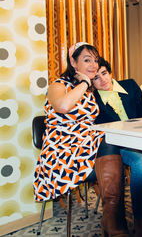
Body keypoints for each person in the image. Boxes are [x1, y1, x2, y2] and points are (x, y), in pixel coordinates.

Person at [33, 42, 129, 237]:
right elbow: (62, 106)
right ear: (73, 62)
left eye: (95, 60)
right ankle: (113, 223)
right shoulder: (58, 85)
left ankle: (112, 220)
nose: (93, 65)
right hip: (62, 147)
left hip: (87, 143)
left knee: (110, 140)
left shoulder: (90, 91)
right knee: (108, 144)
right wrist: (85, 82)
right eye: (87, 60)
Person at [92, 58, 142, 237]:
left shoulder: (130, 86)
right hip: (114, 148)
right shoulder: (93, 101)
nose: (102, 80)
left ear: (110, 72)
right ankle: (139, 220)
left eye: (104, 73)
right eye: (96, 78)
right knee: (141, 162)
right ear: (91, 83)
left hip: (138, 140)